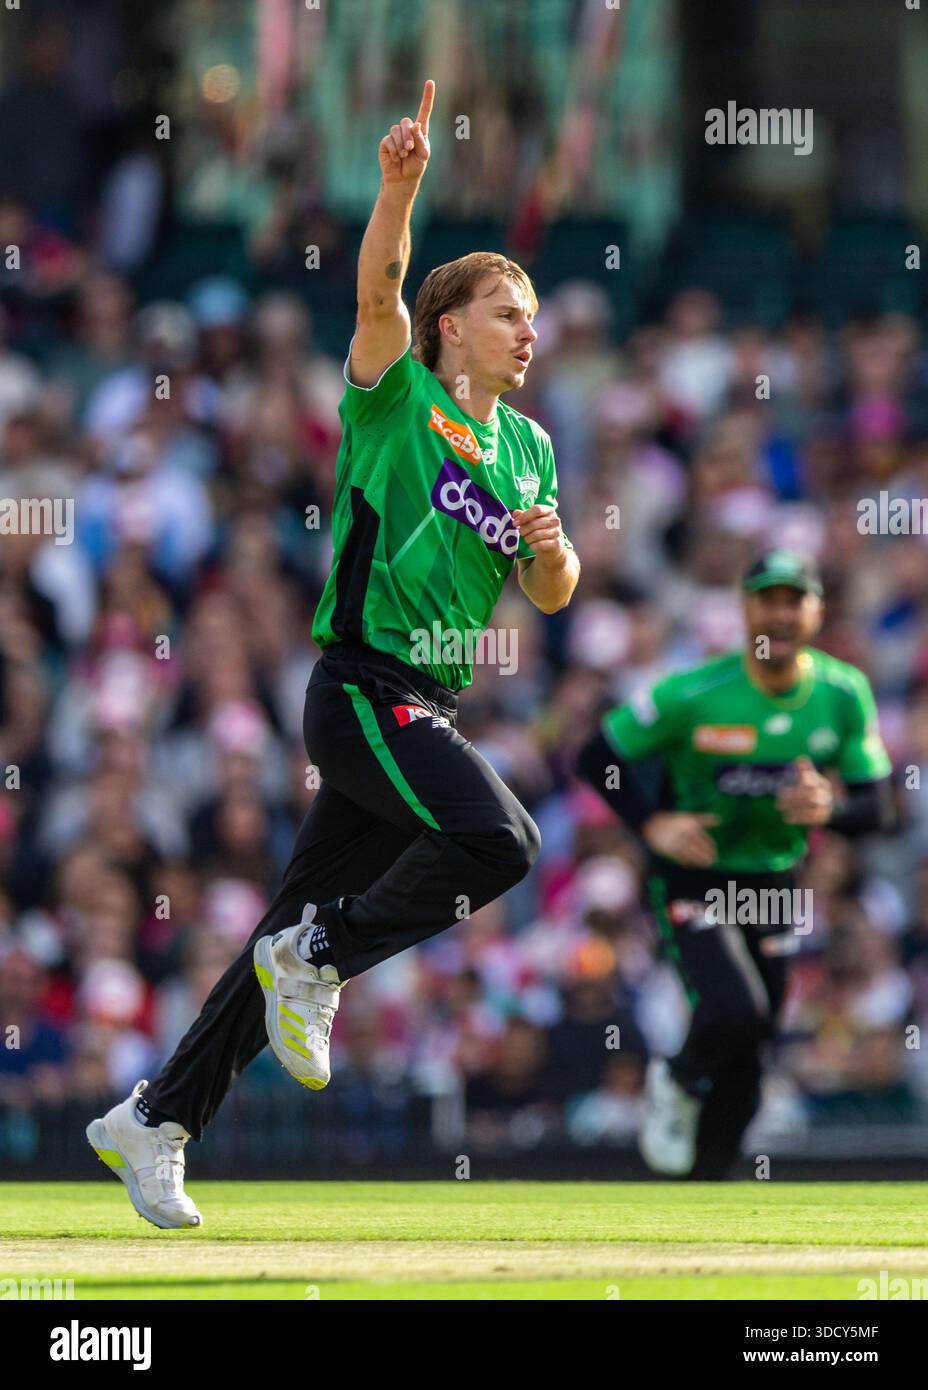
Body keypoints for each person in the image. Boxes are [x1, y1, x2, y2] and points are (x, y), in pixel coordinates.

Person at [86, 79, 581, 1228]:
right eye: (509, 311)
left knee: (274, 941)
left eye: (534, 313)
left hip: (425, 696)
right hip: (360, 685)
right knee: (499, 838)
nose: (529, 329)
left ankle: (155, 1118)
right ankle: (327, 953)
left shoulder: (531, 451)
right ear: (452, 323)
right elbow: (373, 291)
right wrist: (397, 191)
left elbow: (552, 594)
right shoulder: (398, 394)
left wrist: (551, 551)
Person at [576, 549, 895, 1179]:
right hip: (694, 875)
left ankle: (704, 1193)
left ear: (816, 610)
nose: (779, 614)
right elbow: (595, 756)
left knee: (755, 1052)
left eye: (793, 600)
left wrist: (827, 807)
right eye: (766, 599)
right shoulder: (696, 692)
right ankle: (676, 1076)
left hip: (774, 880)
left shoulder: (841, 693)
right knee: (732, 1008)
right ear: (745, 609)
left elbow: (877, 807)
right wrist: (652, 824)